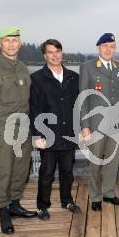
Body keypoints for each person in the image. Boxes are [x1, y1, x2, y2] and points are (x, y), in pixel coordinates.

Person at [0, 26, 37, 234]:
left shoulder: (22, 68)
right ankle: (3, 212)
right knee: (4, 172)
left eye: (15, 40)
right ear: (0, 43)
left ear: (19, 43)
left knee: (21, 169)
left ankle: (14, 205)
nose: (11, 44)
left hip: (23, 128)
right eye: (7, 40)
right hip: (2, 130)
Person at [29, 39, 79, 220]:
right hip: (47, 136)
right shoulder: (37, 79)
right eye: (50, 52)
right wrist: (36, 136)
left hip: (69, 135)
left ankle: (67, 200)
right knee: (46, 174)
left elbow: (78, 106)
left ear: (61, 53)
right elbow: (34, 109)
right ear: (45, 55)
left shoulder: (74, 77)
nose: (55, 55)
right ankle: (43, 206)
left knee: (67, 172)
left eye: (57, 51)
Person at [79, 33, 119, 211]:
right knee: (96, 163)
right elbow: (83, 98)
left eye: (112, 46)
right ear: (99, 48)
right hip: (95, 125)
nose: (109, 49)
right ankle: (95, 197)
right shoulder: (88, 67)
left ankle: (108, 193)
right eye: (105, 46)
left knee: (112, 162)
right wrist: (84, 126)